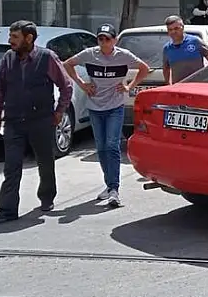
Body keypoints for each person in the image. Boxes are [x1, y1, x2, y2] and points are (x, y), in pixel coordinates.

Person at [0, 20, 73, 223]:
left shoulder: (47, 57)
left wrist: (60, 111)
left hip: (40, 120)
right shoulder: (8, 58)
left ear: (29, 38)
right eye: (10, 36)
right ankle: (8, 209)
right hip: (14, 120)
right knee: (12, 165)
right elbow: (0, 88)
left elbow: (66, 86)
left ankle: (47, 197)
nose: (10, 41)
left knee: (44, 162)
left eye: (14, 37)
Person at [63, 24, 148, 208]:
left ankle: (114, 189)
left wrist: (129, 86)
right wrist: (82, 84)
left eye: (107, 39)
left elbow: (144, 68)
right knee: (101, 148)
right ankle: (109, 185)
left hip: (115, 107)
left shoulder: (123, 55)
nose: (103, 42)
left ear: (114, 40)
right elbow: (67, 64)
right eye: (100, 39)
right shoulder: (90, 54)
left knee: (112, 145)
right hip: (95, 107)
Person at [162, 16, 208, 85]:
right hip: (179, 88)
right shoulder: (167, 48)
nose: (173, 32)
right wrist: (168, 85)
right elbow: (166, 69)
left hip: (198, 85)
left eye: (176, 28)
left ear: (182, 28)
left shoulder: (195, 41)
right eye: (170, 29)